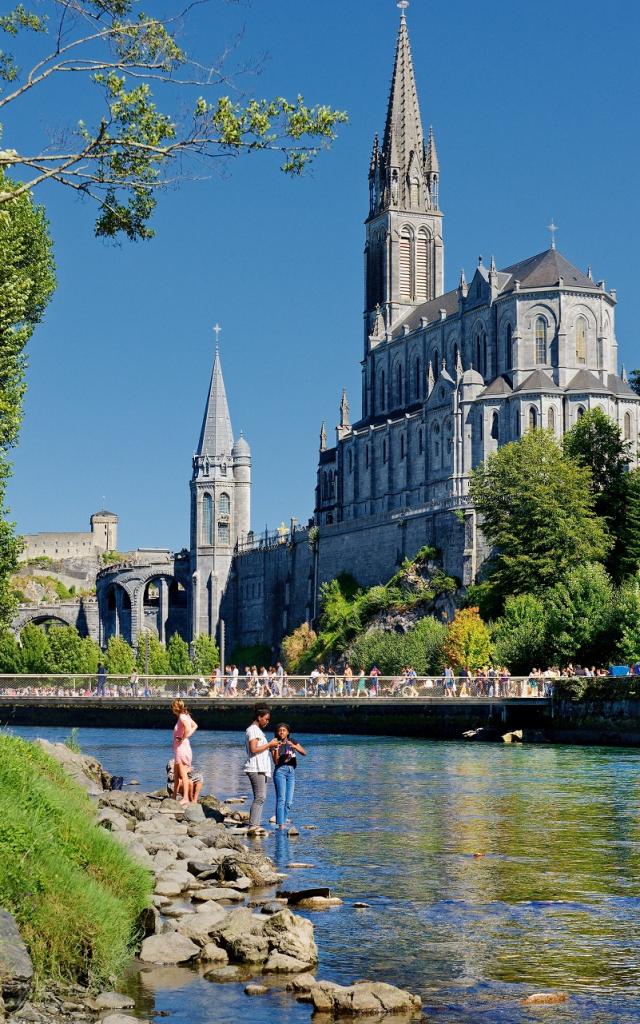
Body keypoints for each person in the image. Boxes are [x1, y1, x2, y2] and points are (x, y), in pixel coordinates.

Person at [244, 703, 279, 833]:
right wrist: (270, 743)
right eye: (266, 719)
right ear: (259, 717)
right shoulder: (253, 730)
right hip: (256, 768)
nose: (267, 722)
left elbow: (258, 748)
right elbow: (253, 749)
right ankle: (253, 825)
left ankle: (255, 824)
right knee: (260, 797)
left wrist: (270, 747)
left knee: (260, 797)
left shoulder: (257, 731)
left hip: (260, 768)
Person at [271, 723, 307, 829]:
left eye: (284, 730)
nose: (282, 732)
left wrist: (294, 746)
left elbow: (304, 753)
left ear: (287, 732)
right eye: (280, 730)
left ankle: (283, 821)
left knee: (289, 802)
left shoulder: (292, 741)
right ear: (277, 732)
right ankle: (281, 825)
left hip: (291, 772)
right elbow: (275, 762)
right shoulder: (274, 743)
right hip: (280, 771)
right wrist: (276, 749)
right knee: (281, 799)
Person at [171, 699, 198, 806]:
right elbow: (195, 726)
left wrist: (183, 737)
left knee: (183, 774)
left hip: (182, 747)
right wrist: (185, 737)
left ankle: (186, 797)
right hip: (181, 747)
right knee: (176, 773)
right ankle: (173, 796)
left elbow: (188, 727)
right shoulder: (185, 715)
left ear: (175, 707)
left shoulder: (182, 717)